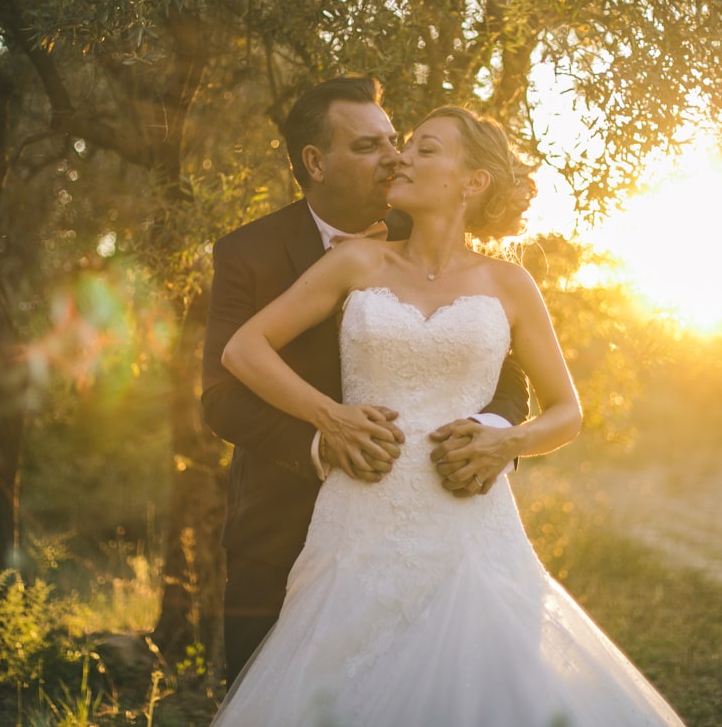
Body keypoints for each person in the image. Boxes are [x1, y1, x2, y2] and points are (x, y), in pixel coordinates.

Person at [210, 106, 685, 726]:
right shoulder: (358, 263)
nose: (402, 158)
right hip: (359, 523)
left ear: (473, 182)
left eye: (425, 149)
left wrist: (506, 441)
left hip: (469, 526)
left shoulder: (510, 284)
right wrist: (330, 417)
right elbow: (242, 349)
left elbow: (566, 411)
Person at [200, 77, 529, 685]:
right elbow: (221, 399)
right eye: (368, 147)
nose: (393, 158)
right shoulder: (248, 253)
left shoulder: (437, 243)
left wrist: (489, 435)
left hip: (437, 518)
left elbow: (506, 380)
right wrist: (325, 430)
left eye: (395, 142)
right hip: (278, 528)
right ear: (316, 163)